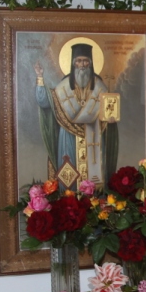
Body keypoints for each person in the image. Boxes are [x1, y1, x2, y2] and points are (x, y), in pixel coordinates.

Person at [34, 42, 118, 189]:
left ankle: (95, 197)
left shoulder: (99, 86)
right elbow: (44, 102)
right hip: (68, 136)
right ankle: (69, 198)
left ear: (90, 63)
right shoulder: (63, 87)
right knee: (69, 175)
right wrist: (40, 78)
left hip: (94, 135)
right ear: (73, 63)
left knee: (95, 179)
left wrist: (110, 119)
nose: (82, 65)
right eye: (79, 61)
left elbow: (108, 112)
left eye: (85, 61)